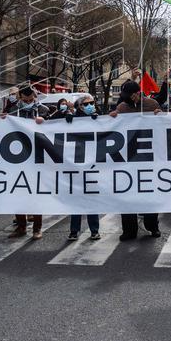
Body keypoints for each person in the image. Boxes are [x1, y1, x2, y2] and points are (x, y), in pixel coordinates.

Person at [109, 81, 162, 240]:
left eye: (129, 95)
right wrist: (112, 117)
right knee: (127, 195)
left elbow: (163, 127)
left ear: (137, 93)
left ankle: (152, 226)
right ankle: (129, 230)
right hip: (128, 158)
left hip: (148, 157)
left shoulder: (152, 104)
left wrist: (160, 115)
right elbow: (113, 126)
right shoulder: (122, 107)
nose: (126, 98)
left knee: (149, 194)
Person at [6, 86, 48, 239]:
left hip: (37, 156)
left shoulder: (43, 110)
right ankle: (21, 227)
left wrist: (45, 122)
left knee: (36, 194)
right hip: (17, 156)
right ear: (20, 98)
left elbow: (55, 128)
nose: (29, 102)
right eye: (25, 100)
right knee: (18, 193)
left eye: (31, 100)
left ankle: (37, 229)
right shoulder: (13, 110)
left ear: (35, 97)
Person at [67, 96, 101, 241]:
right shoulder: (72, 119)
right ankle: (74, 231)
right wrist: (66, 116)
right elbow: (49, 123)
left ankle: (94, 230)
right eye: (86, 104)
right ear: (79, 106)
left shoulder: (99, 118)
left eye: (92, 103)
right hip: (76, 165)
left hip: (92, 165)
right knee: (76, 201)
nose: (90, 106)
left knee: (91, 200)